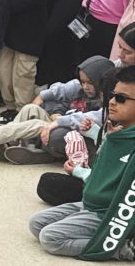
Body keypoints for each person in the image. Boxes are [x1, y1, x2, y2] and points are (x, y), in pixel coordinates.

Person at [28, 65, 135, 260]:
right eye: (112, 95)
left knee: (50, 238)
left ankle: (124, 249)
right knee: (36, 223)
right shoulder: (115, 133)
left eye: (121, 98)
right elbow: (98, 172)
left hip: (107, 213)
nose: (111, 102)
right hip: (89, 203)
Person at [0, 56, 117, 165]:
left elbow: (91, 118)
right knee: (31, 108)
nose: (85, 86)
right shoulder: (81, 88)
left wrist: (59, 120)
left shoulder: (109, 102)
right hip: (63, 123)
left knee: (39, 125)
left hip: (79, 139)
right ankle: (9, 143)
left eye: (90, 82)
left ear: (101, 82)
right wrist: (41, 98)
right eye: (83, 81)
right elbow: (63, 89)